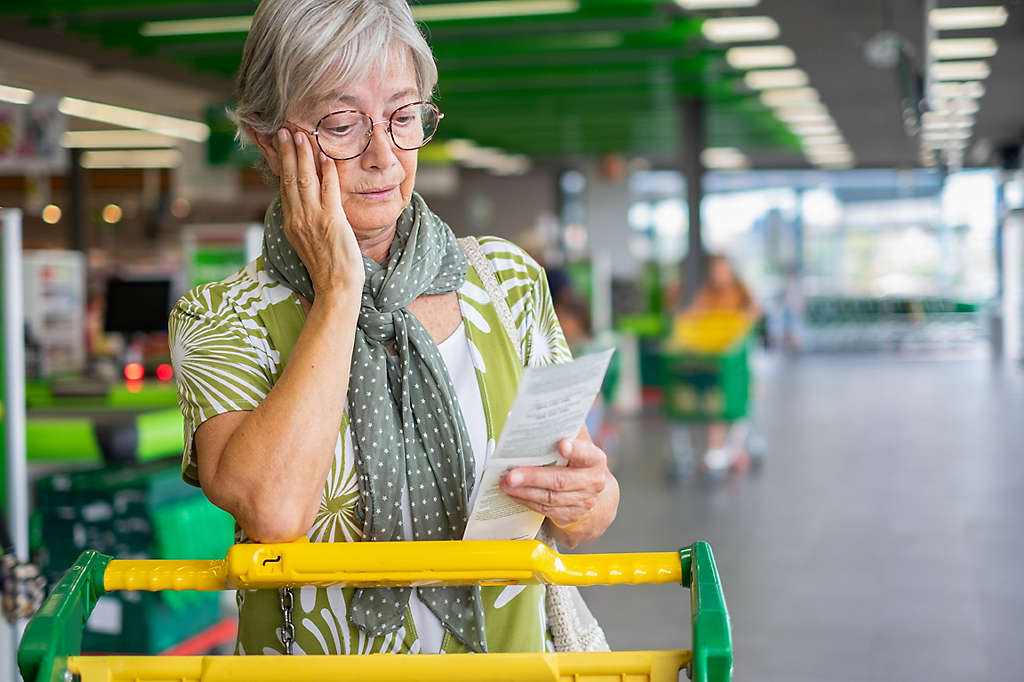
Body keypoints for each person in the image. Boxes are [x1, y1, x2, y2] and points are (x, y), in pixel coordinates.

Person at [168, 0, 619, 657]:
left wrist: (589, 497)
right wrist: (339, 289)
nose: (383, 155)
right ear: (268, 140)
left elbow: (582, 512)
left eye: (404, 117)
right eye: (341, 124)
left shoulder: (507, 281)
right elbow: (273, 512)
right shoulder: (221, 318)